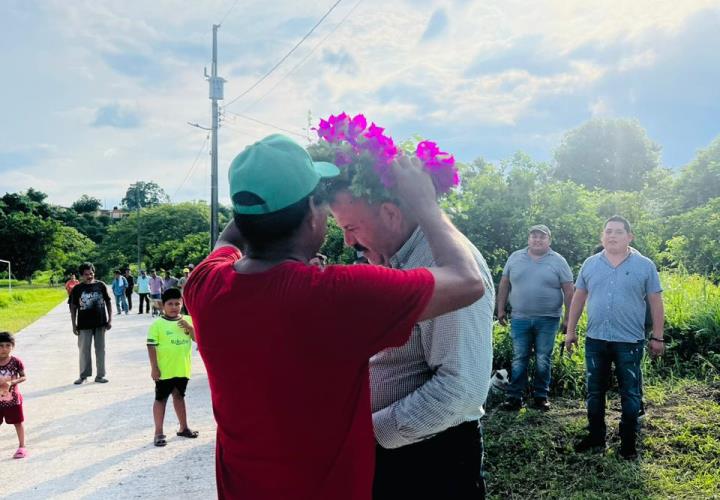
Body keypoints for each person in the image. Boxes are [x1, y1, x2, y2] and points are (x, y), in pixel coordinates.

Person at [183, 134, 485, 499]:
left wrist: (257, 203)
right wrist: (425, 203)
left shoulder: (204, 285)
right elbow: (467, 282)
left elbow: (225, 243)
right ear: (312, 215)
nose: (345, 240)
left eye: (351, 226)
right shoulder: (335, 296)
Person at [328, 174, 495, 499]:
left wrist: (366, 432)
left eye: (351, 228)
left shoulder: (444, 266)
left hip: (431, 462)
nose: (347, 242)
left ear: (391, 213)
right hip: (399, 452)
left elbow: (461, 391)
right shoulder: (397, 257)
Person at [566, 215, 665, 460]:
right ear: (602, 236)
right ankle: (596, 438)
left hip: (629, 341)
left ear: (629, 237)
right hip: (595, 339)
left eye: (619, 232)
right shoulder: (590, 264)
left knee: (630, 393)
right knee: (594, 391)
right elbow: (578, 297)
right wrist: (570, 331)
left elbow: (656, 301)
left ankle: (628, 444)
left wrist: (658, 337)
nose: (612, 235)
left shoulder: (645, 265)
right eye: (608, 231)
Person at [497, 224, 574, 411]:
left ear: (549, 240)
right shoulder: (515, 257)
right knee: (519, 357)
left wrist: (568, 319)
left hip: (549, 319)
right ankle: (514, 397)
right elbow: (504, 284)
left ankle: (541, 396)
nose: (537, 240)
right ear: (528, 238)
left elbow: (569, 290)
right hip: (519, 318)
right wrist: (500, 309)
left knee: (543, 358)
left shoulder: (558, 261)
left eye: (542, 237)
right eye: (534, 236)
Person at [146, 287, 198, 447]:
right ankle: (158, 432)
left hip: (182, 368)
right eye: (170, 304)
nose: (174, 307)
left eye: (177, 303)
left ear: (182, 304)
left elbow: (198, 339)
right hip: (164, 370)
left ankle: (183, 427)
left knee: (180, 396)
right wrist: (154, 368)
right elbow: (151, 346)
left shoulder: (189, 320)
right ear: (163, 305)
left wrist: (189, 329)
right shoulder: (157, 325)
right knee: (161, 399)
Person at [69, 262, 112, 384]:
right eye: (86, 274)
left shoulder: (101, 285)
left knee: (100, 350)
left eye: (91, 273)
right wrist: (74, 325)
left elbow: (108, 302)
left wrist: (110, 320)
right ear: (81, 275)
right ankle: (83, 376)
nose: (89, 276)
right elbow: (73, 307)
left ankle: (100, 375)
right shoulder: (77, 289)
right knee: (84, 351)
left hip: (100, 324)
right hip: (84, 325)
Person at [0, 332, 28, 459]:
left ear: (13, 346)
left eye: (7, 345)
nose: (4, 349)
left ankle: (22, 447)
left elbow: (23, 377)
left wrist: (12, 382)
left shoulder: (16, 362)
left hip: (13, 400)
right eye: (0, 346)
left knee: (18, 422)